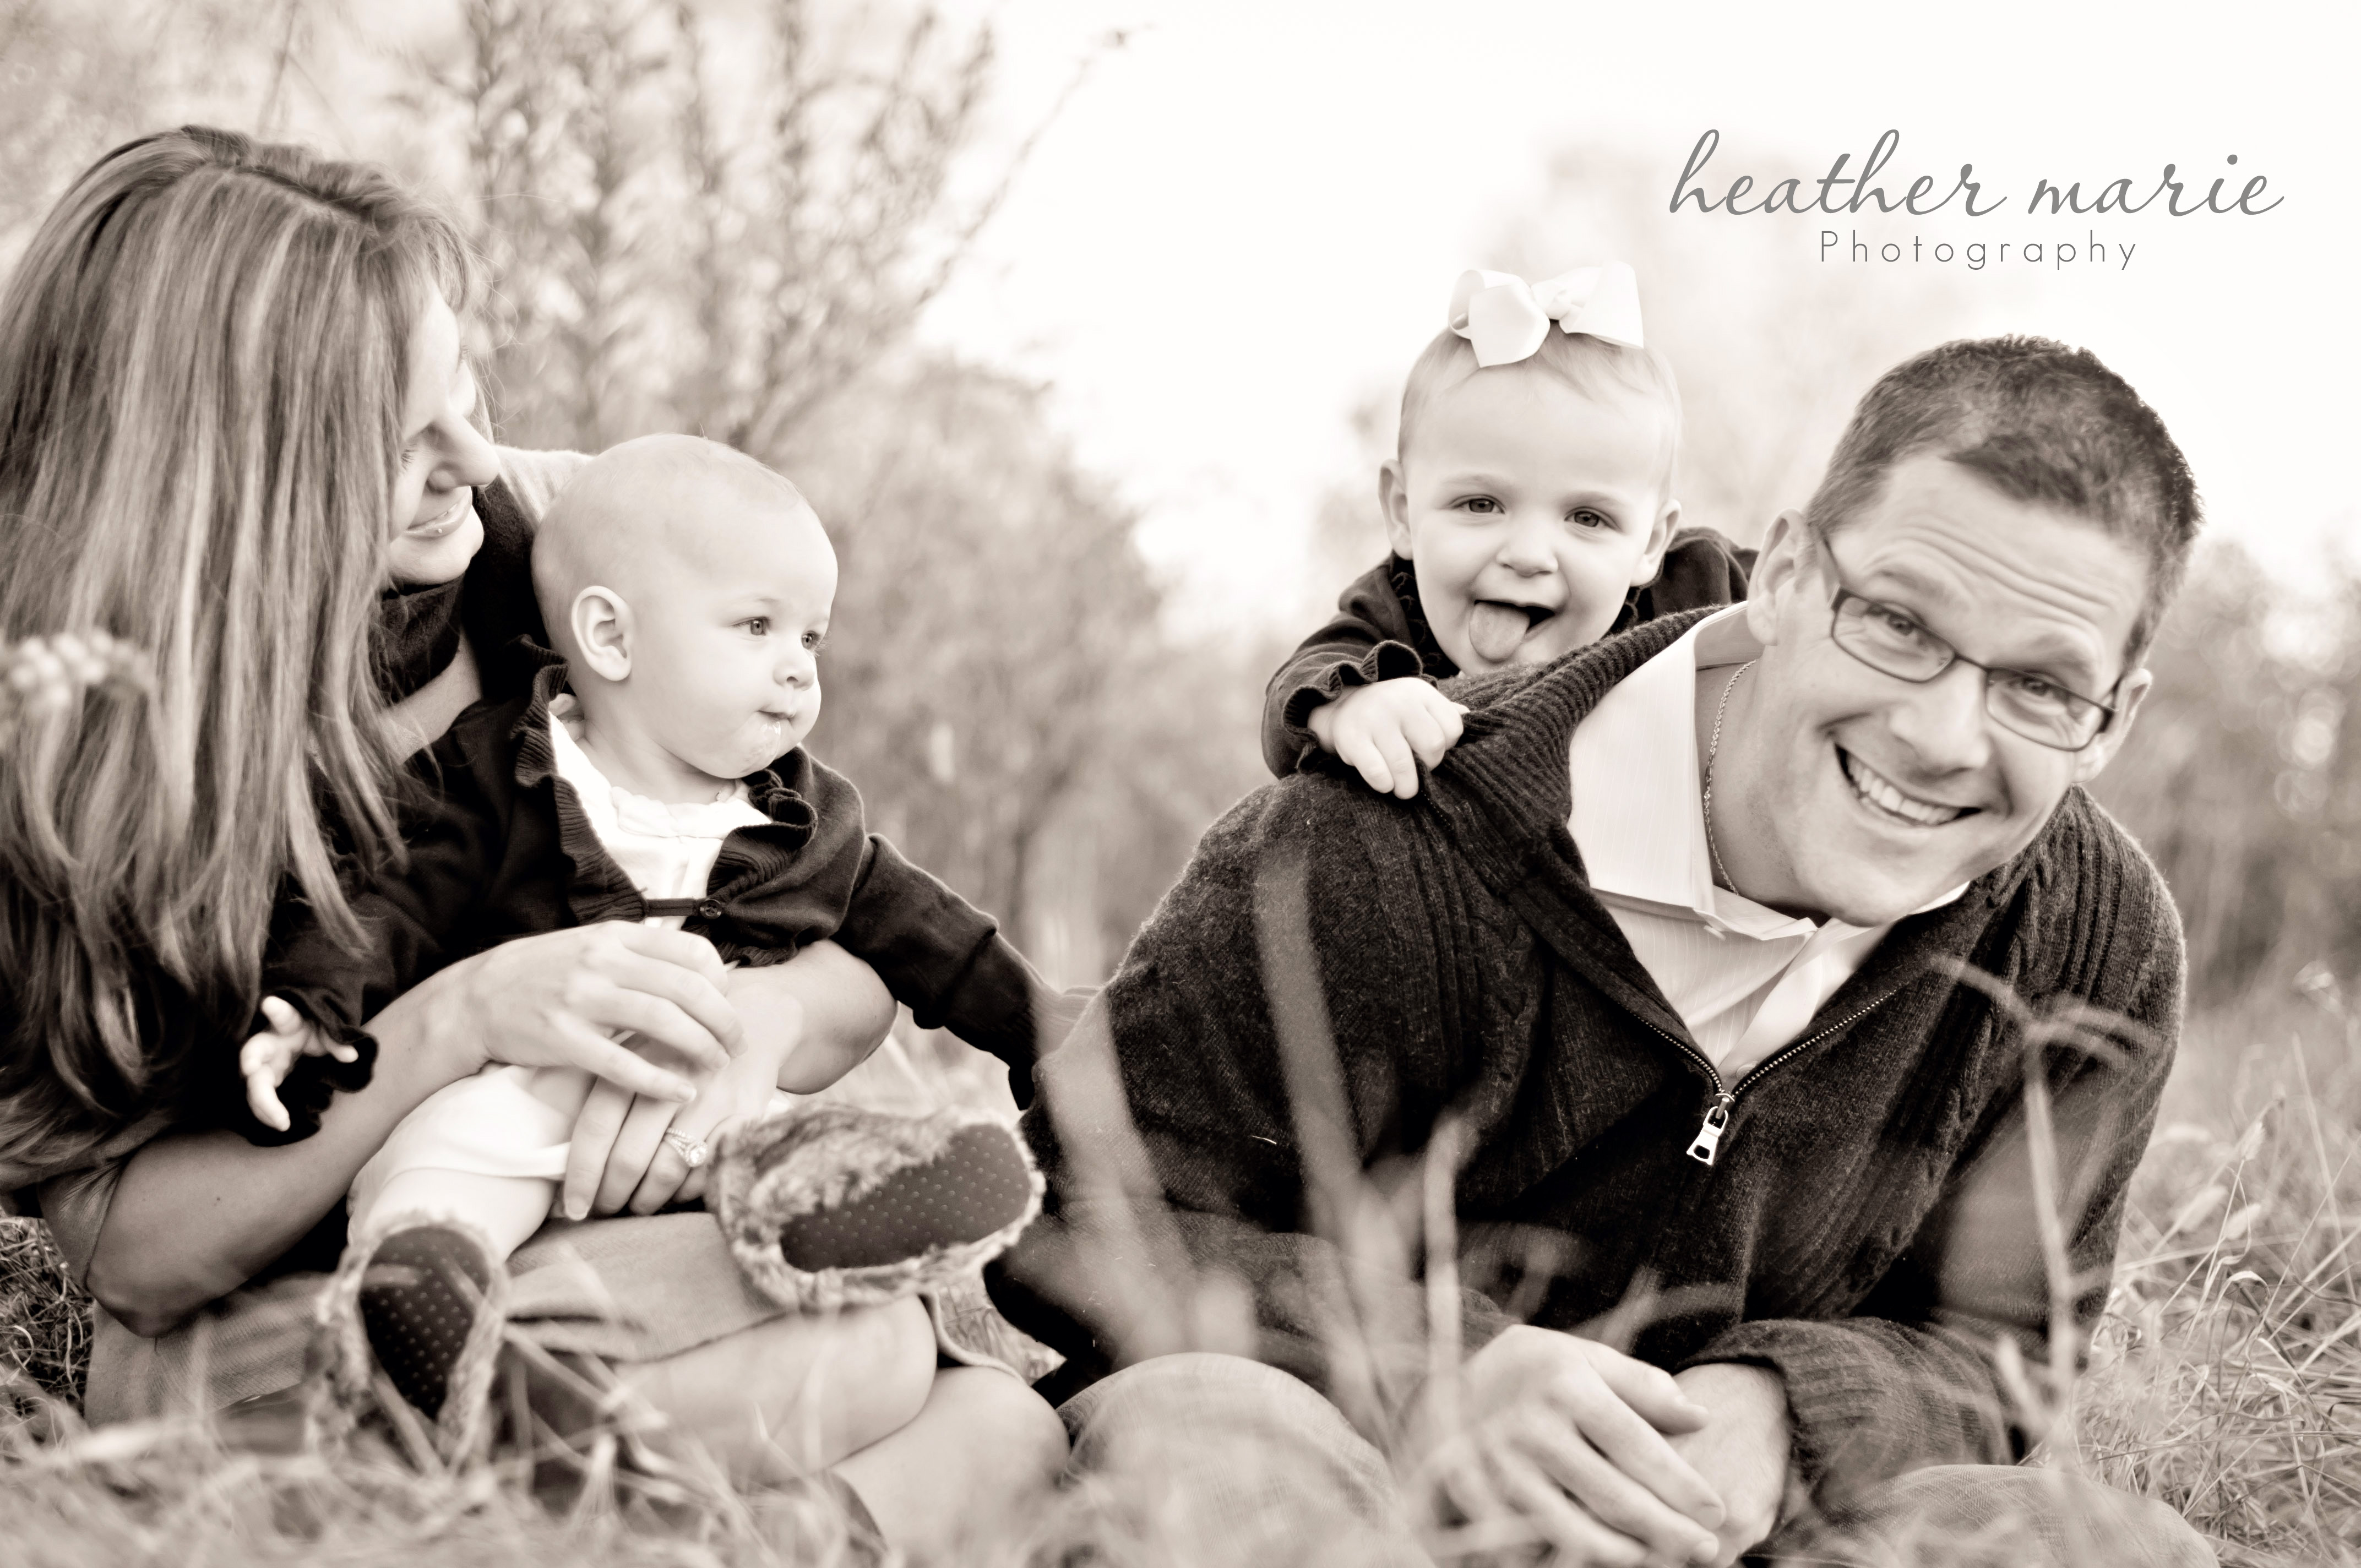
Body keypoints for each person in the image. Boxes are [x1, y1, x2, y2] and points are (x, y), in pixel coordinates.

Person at [0, 128, 1062, 1560]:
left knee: (995, 1424)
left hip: (605, 1230)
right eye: (400, 439)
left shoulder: (565, 548)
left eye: (468, 391)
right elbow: (134, 1253)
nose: (472, 459)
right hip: (302, 1308)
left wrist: (743, 1023)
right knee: (873, 1371)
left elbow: (834, 918)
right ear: (232, 478)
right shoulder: (70, 741)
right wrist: (459, 1021)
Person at [996, 335, 2216, 1566]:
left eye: (2041, 688)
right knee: (1207, 1433)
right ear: (1786, 576)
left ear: (2112, 717)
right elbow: (1077, 1205)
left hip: (1713, 1525)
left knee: (2112, 1549)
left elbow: (1997, 1350)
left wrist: (1792, 1413)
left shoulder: (2091, 940)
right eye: (1897, 623)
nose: (1942, 736)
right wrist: (1432, 1367)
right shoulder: (1385, 838)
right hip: (1342, 1472)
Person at [235, 432, 1052, 1447]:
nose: (798, 670)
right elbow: (386, 902)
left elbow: (932, 936)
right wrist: (312, 1007)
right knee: (441, 1173)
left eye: (811, 638)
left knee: (769, 1148)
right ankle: (420, 1307)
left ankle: (846, 1201)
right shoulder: (498, 772)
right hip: (511, 1097)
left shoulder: (801, 814)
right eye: (757, 626)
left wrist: (1049, 1033)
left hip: (698, 1114)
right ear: (611, 638)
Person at [1263, 265, 1749, 796]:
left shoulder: (1699, 582)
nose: (1529, 555)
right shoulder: (1395, 611)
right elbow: (1299, 685)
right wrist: (1351, 707)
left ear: (1651, 543)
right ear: (1403, 512)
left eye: (1587, 518)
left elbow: (1800, 598)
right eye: (1481, 505)